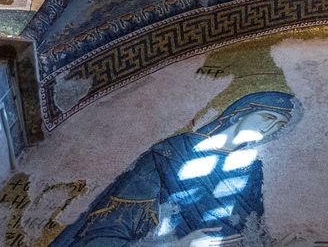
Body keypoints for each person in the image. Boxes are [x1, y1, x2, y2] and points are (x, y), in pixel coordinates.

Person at [52, 91, 298, 246]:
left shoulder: (252, 170)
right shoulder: (168, 154)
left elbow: (246, 230)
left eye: (278, 126)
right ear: (238, 115)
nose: (269, 129)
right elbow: (109, 230)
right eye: (268, 117)